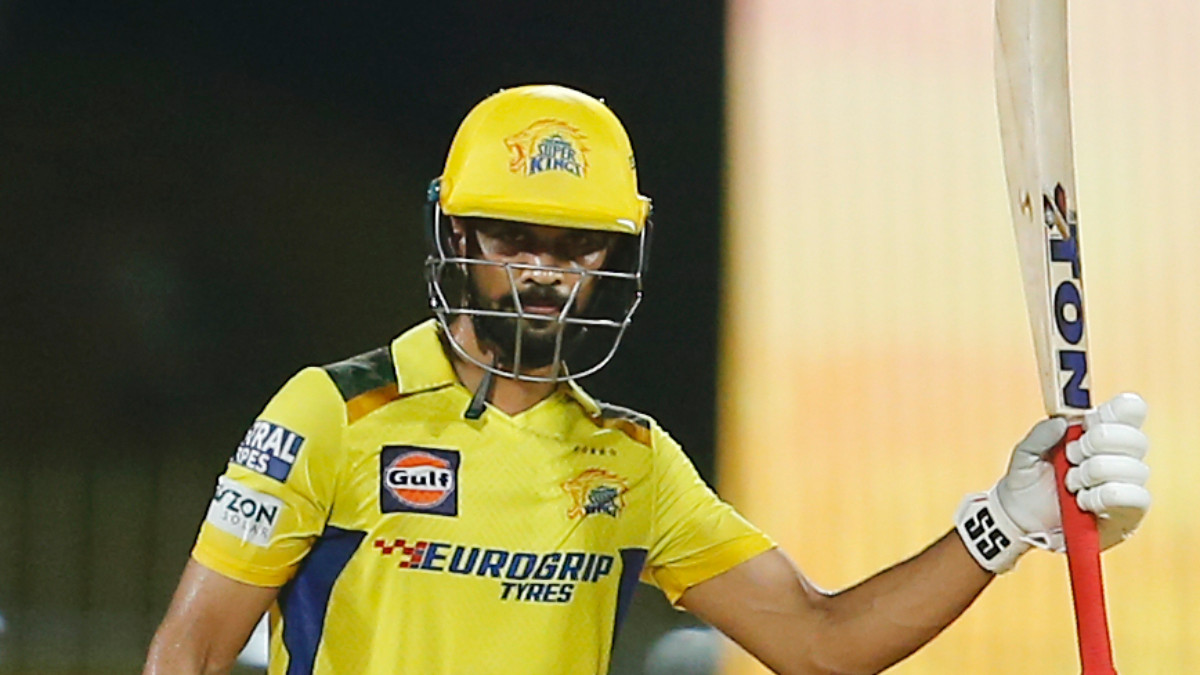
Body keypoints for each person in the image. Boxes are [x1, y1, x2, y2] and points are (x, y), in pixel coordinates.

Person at [142, 84, 1151, 675]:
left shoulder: (629, 462)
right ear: (456, 233)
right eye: (514, 236)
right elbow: (187, 656)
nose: (545, 270)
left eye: (578, 243)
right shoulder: (336, 412)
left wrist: (1008, 520)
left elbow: (819, 641)